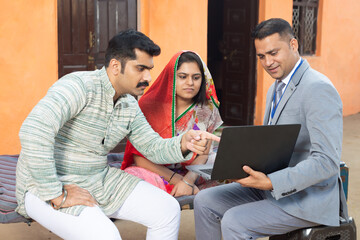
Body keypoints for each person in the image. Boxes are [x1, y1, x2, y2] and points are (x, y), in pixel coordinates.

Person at [15, 29, 219, 240]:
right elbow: (33, 132)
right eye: (140, 69)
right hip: (44, 185)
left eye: (149, 69)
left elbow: (152, 148)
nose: (148, 77)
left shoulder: (129, 104)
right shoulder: (78, 86)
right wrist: (56, 194)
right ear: (115, 66)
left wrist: (183, 143)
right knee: (106, 235)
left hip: (98, 179)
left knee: (167, 210)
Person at [194, 18, 348, 239]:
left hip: (307, 199)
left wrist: (271, 182)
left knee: (235, 221)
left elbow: (327, 162)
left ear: (293, 45)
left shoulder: (317, 89)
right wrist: (233, 157)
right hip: (270, 189)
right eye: (261, 56)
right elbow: (272, 143)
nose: (267, 62)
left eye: (273, 53)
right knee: (204, 200)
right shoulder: (275, 88)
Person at [121, 51, 223, 197]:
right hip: (156, 170)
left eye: (196, 78)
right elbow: (139, 158)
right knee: (132, 177)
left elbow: (204, 154)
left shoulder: (205, 109)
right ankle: (191, 192)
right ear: (171, 77)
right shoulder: (149, 105)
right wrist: (178, 180)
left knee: (229, 169)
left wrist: (188, 181)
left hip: (192, 170)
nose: (190, 83)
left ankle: (185, 191)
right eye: (182, 77)